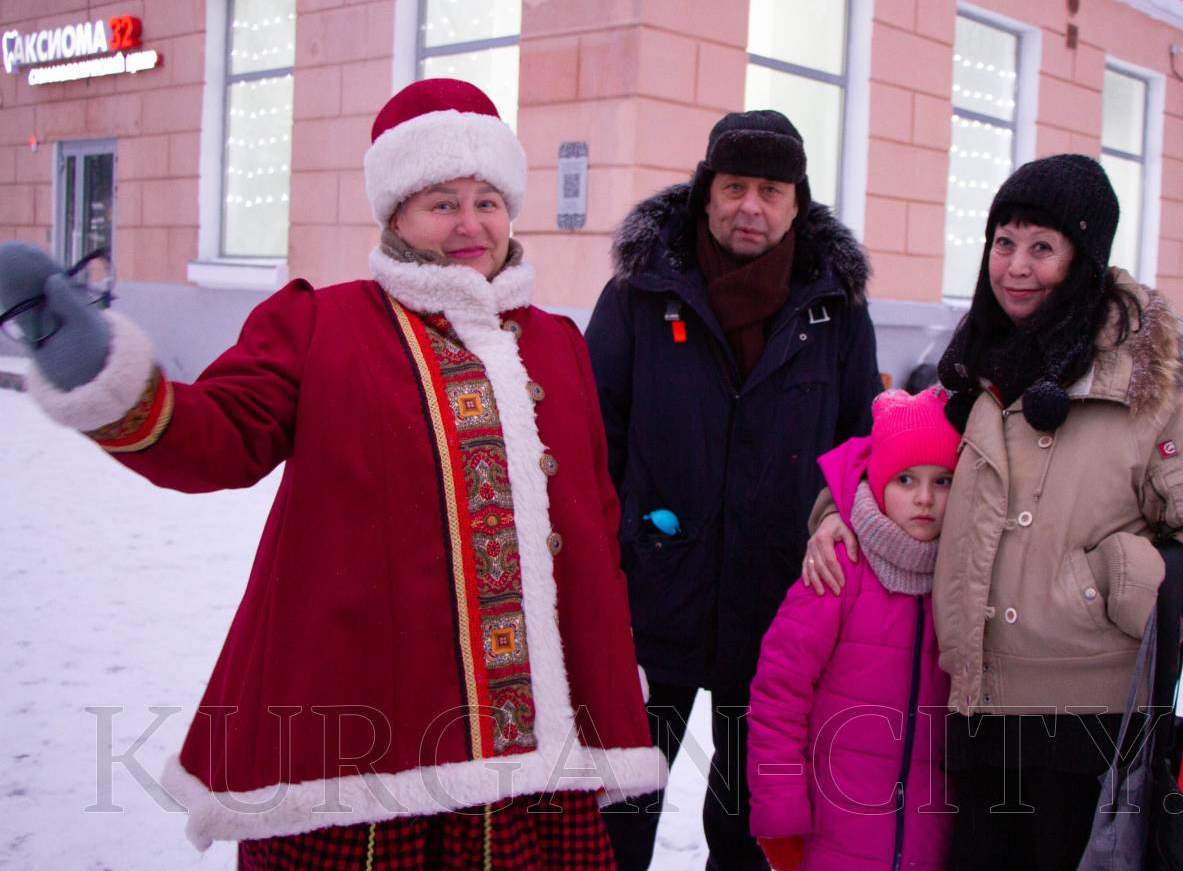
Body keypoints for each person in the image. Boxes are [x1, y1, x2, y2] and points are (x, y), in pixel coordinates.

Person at [0, 78, 666, 868]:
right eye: (442, 202)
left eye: (487, 201)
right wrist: (107, 378)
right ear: (396, 216)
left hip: (534, 746)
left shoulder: (555, 344)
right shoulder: (322, 323)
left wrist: (607, 663)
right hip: (362, 739)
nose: (470, 224)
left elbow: (590, 520)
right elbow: (220, 436)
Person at [803, 153, 1183, 870]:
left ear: (1084, 259)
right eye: (1004, 242)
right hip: (974, 716)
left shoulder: (1152, 386)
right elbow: (885, 464)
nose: (1016, 267)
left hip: (1094, 729)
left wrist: (1103, 584)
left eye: (1042, 247)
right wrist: (839, 511)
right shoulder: (971, 371)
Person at [585, 109, 883, 870]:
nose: (751, 206)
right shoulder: (640, 293)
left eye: (771, 191)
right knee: (621, 806)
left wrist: (835, 529)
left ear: (797, 202)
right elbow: (593, 438)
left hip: (779, 601)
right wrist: (611, 554)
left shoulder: (836, 308)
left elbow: (859, 444)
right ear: (705, 192)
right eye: (735, 187)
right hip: (650, 596)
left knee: (749, 817)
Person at [747, 387, 958, 871]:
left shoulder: (960, 582)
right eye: (905, 479)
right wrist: (781, 816)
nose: (925, 498)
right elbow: (778, 698)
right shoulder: (837, 569)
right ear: (879, 482)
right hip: (833, 835)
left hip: (930, 840)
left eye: (943, 481)